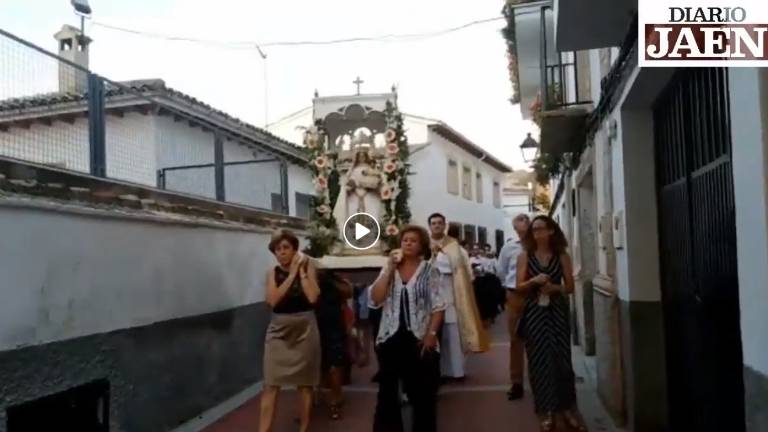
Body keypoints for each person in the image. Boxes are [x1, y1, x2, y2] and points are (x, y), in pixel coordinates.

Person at [370, 225, 446, 432]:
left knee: (422, 394)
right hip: (390, 337)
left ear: (421, 245)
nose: (408, 243)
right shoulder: (389, 269)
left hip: (418, 338)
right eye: (405, 240)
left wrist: (431, 335)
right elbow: (376, 299)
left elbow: (438, 306)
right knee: (387, 394)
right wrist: (388, 268)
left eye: (413, 240)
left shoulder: (430, 270)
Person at [515, 216, 586, 431]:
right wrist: (533, 282)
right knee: (539, 361)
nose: (537, 233)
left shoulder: (562, 256)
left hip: (557, 312)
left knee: (562, 361)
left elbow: (570, 287)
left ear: (551, 231)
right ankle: (545, 410)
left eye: (540, 229)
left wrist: (555, 288)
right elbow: (519, 286)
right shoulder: (525, 256)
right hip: (535, 312)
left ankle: (567, 408)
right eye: (533, 230)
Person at [260, 230, 321, 432]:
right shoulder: (272, 273)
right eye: (278, 249)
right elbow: (273, 300)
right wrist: (292, 274)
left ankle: (303, 428)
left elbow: (312, 297)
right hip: (279, 329)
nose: (282, 252)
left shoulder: (308, 267)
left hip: (305, 328)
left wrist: (301, 271)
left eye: (286, 248)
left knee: (305, 384)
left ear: (295, 250)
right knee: (270, 383)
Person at [429, 214, 490, 359]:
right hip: (431, 289)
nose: (436, 226)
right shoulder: (424, 245)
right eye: (433, 223)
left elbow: (467, 271)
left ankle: (456, 369)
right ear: (429, 226)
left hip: (451, 288)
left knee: (452, 327)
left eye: (439, 223)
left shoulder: (455, 247)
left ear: (445, 225)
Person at [496, 214, 531, 401]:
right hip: (515, 295)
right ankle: (516, 382)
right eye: (519, 228)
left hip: (536, 294)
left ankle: (539, 380)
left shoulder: (537, 246)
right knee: (516, 340)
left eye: (525, 226)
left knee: (537, 340)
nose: (522, 230)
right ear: (515, 229)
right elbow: (501, 271)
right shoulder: (509, 247)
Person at [315, 269, 353, 420]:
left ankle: (335, 400)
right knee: (323, 368)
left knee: (334, 367)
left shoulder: (333, 281)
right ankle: (327, 398)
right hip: (318, 329)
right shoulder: (310, 279)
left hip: (333, 330)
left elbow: (348, 292)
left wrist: (329, 279)